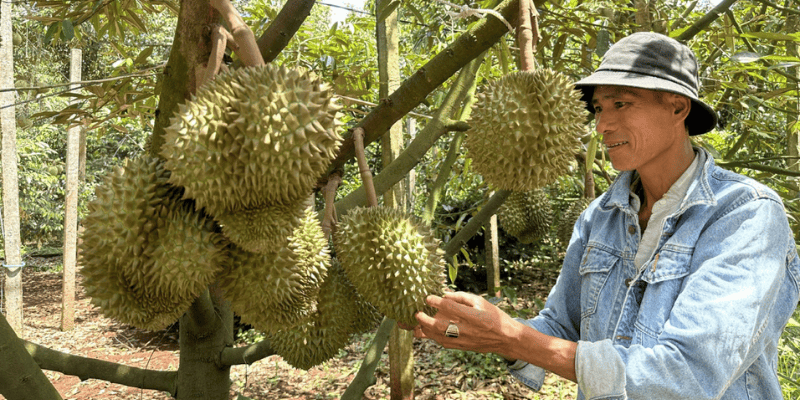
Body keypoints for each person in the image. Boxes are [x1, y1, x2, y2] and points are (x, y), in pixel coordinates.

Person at [402, 32, 800, 399]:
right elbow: (559, 326)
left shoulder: (744, 215)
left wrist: (513, 338)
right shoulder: (600, 216)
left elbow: (688, 375)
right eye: (597, 108)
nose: (603, 125)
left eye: (621, 104)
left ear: (678, 107)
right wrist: (468, 323)